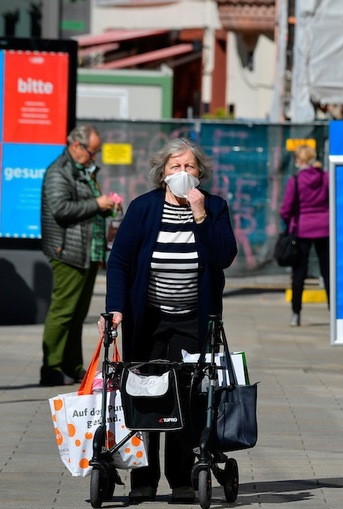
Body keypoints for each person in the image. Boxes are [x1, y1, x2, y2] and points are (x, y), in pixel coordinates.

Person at [100, 137, 237, 504]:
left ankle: (182, 479)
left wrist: (201, 215)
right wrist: (116, 308)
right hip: (149, 318)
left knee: (187, 396)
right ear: (162, 174)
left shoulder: (215, 207)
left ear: (200, 173)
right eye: (175, 167)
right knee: (145, 394)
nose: (182, 173)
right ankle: (143, 481)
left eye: (189, 167)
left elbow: (223, 256)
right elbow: (121, 262)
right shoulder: (143, 208)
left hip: (194, 318)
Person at [40, 125, 117, 387]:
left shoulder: (82, 171)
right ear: (76, 146)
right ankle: (50, 368)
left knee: (77, 312)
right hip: (67, 251)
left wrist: (107, 207)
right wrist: (97, 204)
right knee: (63, 312)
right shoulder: (58, 172)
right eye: (91, 152)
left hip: (87, 252)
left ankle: (72, 366)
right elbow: (61, 209)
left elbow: (86, 207)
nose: (94, 157)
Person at [279, 144, 330, 326]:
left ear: (299, 160)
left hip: (302, 229)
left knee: (299, 273)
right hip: (325, 228)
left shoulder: (296, 180)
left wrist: (289, 222)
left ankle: (296, 313)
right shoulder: (325, 177)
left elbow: (285, 208)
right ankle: (333, 313)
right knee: (328, 272)